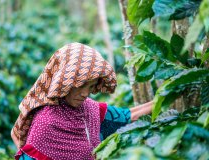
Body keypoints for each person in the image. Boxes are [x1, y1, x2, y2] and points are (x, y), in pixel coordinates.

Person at [11, 42, 153, 160]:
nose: (86, 93)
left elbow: (128, 116)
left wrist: (162, 98)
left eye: (91, 86)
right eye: (80, 86)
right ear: (65, 83)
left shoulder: (89, 109)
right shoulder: (45, 123)